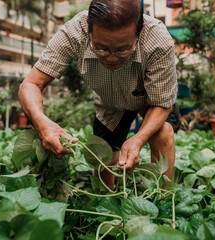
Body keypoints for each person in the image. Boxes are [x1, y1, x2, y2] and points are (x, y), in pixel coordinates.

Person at [19, 0, 178, 189]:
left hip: (150, 97)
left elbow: (161, 104)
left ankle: (164, 201)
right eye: (101, 48)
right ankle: (107, 206)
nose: (111, 57)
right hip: (109, 102)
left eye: (123, 49)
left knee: (161, 133)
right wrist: (43, 124)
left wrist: (138, 139)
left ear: (140, 30)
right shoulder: (74, 32)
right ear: (88, 29)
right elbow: (29, 84)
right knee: (104, 154)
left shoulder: (158, 39)